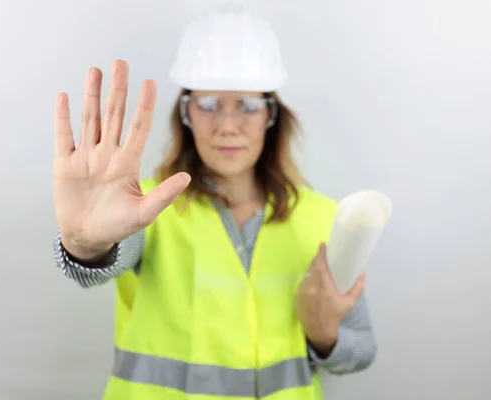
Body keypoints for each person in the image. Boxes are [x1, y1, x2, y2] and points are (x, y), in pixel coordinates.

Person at [52, 6, 377, 399]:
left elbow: (361, 350)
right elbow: (97, 266)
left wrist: (326, 336)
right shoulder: (147, 206)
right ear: (185, 112)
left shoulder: (324, 217)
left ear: (271, 115)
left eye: (247, 105)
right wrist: (85, 244)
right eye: (207, 104)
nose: (226, 125)